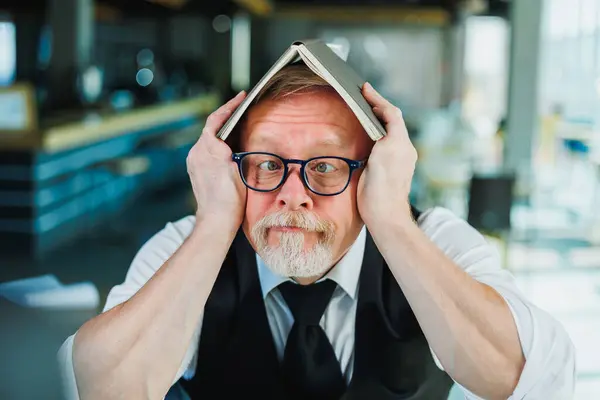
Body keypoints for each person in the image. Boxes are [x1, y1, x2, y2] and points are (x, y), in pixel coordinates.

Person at [58, 65, 576, 400]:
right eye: (266, 164)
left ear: (370, 173)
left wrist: (391, 220)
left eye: (325, 166)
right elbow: (99, 386)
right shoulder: (186, 245)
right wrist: (214, 224)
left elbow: (529, 376)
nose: (292, 194)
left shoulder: (432, 238)